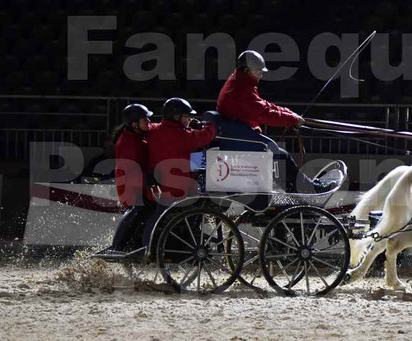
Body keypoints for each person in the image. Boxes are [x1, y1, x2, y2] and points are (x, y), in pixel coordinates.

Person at [216, 50, 335, 193]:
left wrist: (290, 114)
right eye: (258, 71)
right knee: (282, 156)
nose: (261, 74)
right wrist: (291, 120)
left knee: (279, 154)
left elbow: (263, 105)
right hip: (240, 140)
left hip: (241, 136)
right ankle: (308, 189)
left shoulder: (239, 82)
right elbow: (264, 114)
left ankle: (299, 186)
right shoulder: (241, 90)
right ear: (247, 70)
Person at [142, 97, 217, 247]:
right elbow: (207, 135)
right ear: (176, 117)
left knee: (156, 218)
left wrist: (190, 126)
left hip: (156, 188)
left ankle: (147, 246)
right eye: (187, 116)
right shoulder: (185, 136)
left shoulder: (154, 130)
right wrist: (211, 123)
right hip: (177, 191)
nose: (189, 119)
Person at [94, 104, 157, 257]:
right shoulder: (128, 143)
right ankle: (118, 246)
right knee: (137, 209)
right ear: (135, 124)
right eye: (145, 119)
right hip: (131, 184)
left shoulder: (136, 134)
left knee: (143, 211)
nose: (149, 121)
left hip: (137, 182)